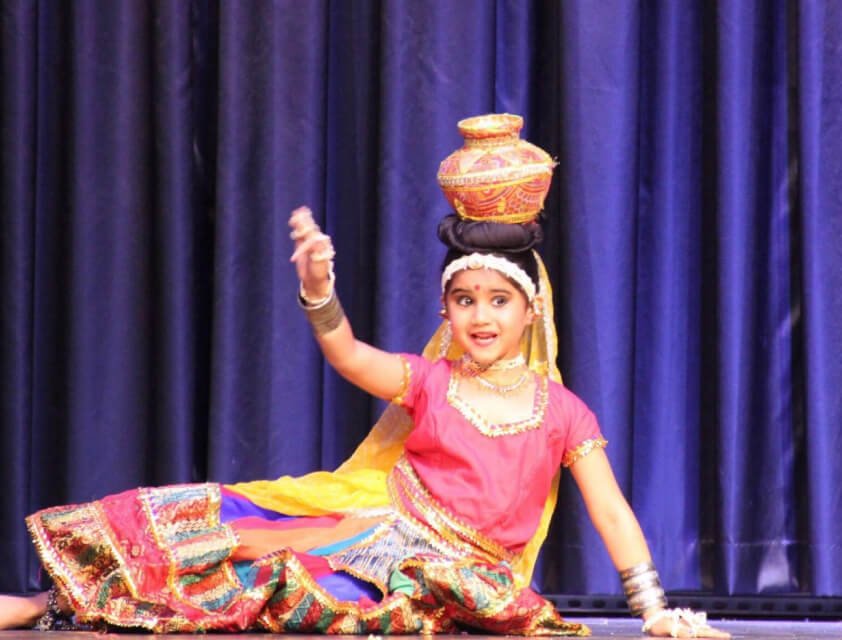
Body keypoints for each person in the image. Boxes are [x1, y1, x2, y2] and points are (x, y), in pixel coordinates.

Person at [0, 114, 728, 638]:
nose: (481, 316)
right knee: (223, 531)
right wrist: (319, 291)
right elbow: (348, 354)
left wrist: (654, 610)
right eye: (465, 300)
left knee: (311, 593)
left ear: (531, 310)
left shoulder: (564, 411)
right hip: (378, 539)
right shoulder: (430, 381)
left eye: (499, 301)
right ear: (445, 309)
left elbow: (611, 512)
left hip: (464, 578)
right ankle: (47, 606)